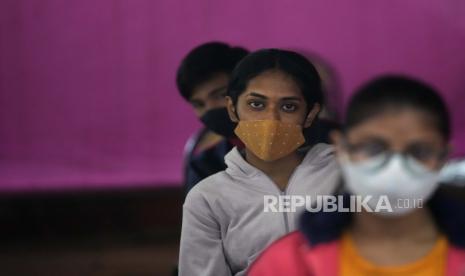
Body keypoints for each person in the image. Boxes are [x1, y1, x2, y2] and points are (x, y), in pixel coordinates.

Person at [248, 76, 465, 275]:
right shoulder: (287, 263)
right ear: (341, 148)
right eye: (372, 149)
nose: (395, 170)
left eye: (420, 152)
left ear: (444, 157)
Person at [178, 49, 341, 276]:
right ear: (232, 109)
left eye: (288, 107)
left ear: (311, 114)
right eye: (256, 105)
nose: (270, 120)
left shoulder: (344, 176)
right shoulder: (207, 199)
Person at [176, 42, 249, 194]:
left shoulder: (303, 150)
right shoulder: (206, 166)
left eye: (220, 95)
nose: (210, 109)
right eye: (199, 104)